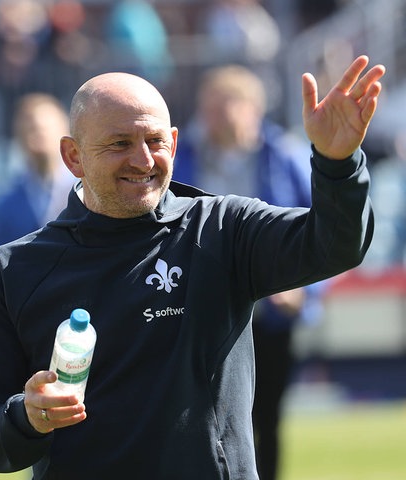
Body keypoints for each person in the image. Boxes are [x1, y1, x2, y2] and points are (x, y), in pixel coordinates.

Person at [0, 55, 384, 480]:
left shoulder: (223, 229)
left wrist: (338, 164)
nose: (142, 160)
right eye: (119, 143)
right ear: (73, 156)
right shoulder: (14, 269)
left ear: (174, 143)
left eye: (155, 141)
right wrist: (26, 417)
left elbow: (335, 246)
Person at [172, 64, 326, 480]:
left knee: (268, 418)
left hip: (271, 314)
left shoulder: (286, 155)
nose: (218, 115)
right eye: (211, 106)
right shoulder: (180, 155)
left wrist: (304, 292)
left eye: (228, 105)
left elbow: (321, 232)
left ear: (254, 109)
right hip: (200, 310)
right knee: (196, 416)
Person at [0, 92, 74, 257]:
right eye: (30, 129)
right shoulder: (5, 202)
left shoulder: (89, 191)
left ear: (65, 129)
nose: (38, 136)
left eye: (43, 129)